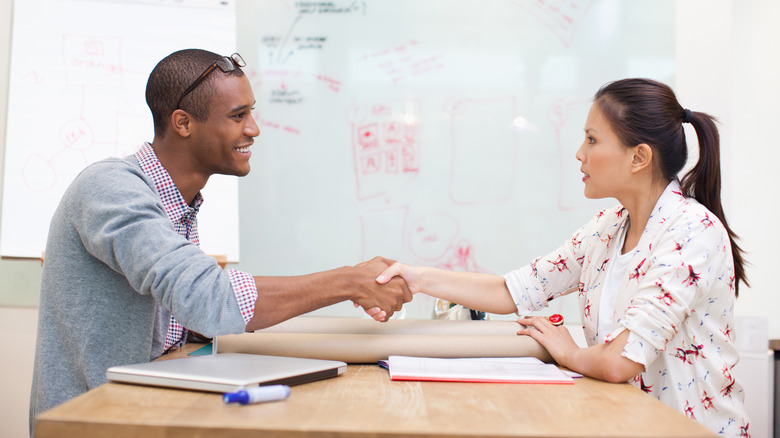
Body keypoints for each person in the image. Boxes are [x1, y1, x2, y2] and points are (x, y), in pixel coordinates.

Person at [29, 49, 412, 428]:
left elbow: (188, 312)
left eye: (251, 112)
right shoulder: (111, 189)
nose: (253, 129)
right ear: (183, 123)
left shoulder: (176, 201)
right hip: (92, 423)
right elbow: (206, 299)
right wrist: (348, 282)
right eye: (237, 116)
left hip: (138, 408)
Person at [374, 78, 751, 437]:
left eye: (591, 140)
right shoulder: (608, 228)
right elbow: (514, 290)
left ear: (639, 157)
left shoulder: (692, 233)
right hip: (627, 423)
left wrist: (568, 351)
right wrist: (416, 278)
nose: (579, 153)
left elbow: (619, 361)